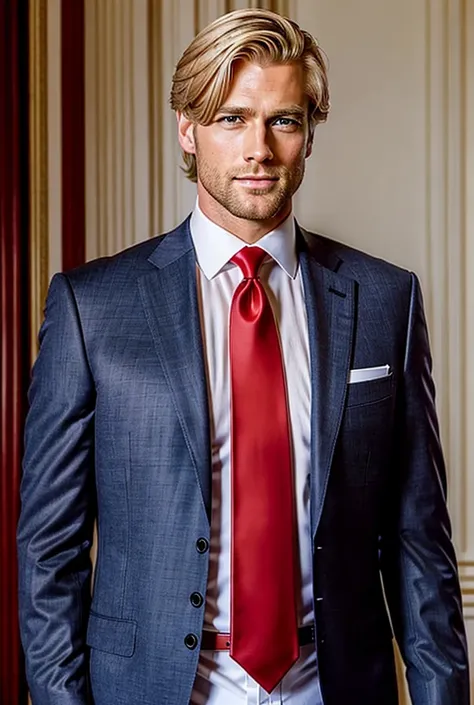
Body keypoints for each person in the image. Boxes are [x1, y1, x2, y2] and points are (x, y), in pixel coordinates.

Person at [17, 8, 469, 705]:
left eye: (283, 120)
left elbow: (419, 547)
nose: (258, 147)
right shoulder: (91, 309)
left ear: (310, 135)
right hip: (160, 689)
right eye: (232, 118)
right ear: (188, 130)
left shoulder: (386, 301)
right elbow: (50, 552)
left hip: (334, 685)